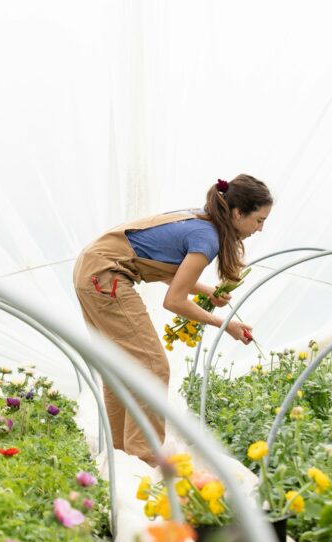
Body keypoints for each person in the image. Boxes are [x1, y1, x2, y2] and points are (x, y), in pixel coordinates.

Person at [72, 174, 272, 462]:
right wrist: (225, 325)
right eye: (259, 220)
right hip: (105, 275)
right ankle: (144, 458)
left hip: (93, 269)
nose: (261, 228)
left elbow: (169, 273)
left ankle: (119, 459)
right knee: (153, 367)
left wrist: (207, 290)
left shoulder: (200, 220)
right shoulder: (208, 237)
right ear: (238, 213)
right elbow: (174, 301)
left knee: (120, 367)